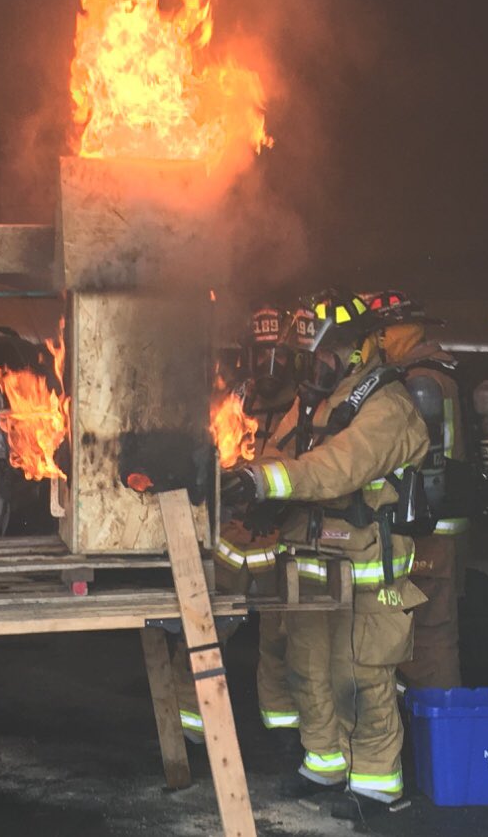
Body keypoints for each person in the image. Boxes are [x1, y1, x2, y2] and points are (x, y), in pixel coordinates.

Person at [221, 288, 429, 820]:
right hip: (310, 560)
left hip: (366, 566)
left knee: (358, 675)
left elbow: (340, 467)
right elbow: (280, 453)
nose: (316, 364)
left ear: (359, 348)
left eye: (326, 353)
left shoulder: (389, 406)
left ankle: (376, 785)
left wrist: (267, 479)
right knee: (307, 667)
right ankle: (324, 763)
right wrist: (250, 484)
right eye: (309, 355)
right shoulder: (316, 399)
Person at [175, 306, 299, 743]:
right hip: (230, 537)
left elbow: (313, 467)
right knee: (206, 631)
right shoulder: (233, 400)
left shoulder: (306, 405)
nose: (270, 368)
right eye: (261, 354)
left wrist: (283, 504)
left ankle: (283, 727)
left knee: (282, 638)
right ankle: (191, 725)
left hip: (279, 540)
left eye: (279, 357)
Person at [365, 289, 468, 690]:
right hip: (441, 525)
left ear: (395, 331)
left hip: (426, 530)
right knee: (431, 632)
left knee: (428, 637)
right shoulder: (440, 371)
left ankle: (439, 729)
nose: (376, 343)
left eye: (379, 333)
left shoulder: (419, 380)